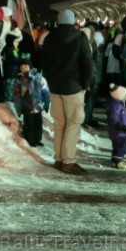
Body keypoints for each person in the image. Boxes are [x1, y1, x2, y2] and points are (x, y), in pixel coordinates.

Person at [42, 9, 94, 175]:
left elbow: (44, 62)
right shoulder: (79, 37)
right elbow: (87, 63)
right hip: (73, 87)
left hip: (54, 87)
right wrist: (85, 84)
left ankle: (59, 159)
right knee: (73, 123)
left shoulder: (50, 37)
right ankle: (68, 161)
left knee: (59, 124)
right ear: (73, 21)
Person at [12, 55, 50, 147]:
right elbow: (17, 96)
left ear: (30, 66)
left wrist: (47, 101)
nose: (24, 69)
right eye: (22, 67)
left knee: (38, 123)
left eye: (26, 66)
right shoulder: (18, 81)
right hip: (26, 106)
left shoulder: (38, 77)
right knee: (29, 124)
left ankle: (37, 139)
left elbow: (45, 90)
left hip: (37, 105)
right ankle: (30, 140)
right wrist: (18, 108)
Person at [106, 84, 126, 169]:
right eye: (125, 94)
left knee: (123, 146)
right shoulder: (115, 105)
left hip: (122, 132)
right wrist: (121, 126)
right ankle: (117, 162)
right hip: (117, 131)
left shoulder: (121, 104)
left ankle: (119, 159)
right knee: (119, 146)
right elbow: (113, 118)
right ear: (119, 96)